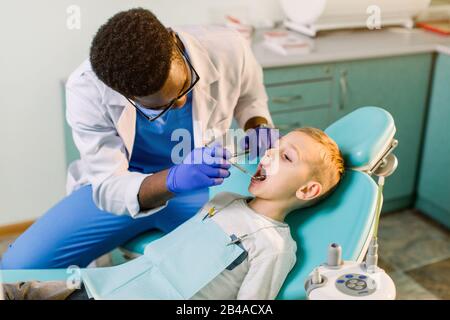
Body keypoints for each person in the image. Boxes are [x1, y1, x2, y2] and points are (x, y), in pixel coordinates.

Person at [1, 8, 278, 269]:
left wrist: (258, 124)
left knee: (249, 257)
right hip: (123, 189)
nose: (181, 102)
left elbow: (250, 96)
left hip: (198, 188)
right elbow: (110, 186)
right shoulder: (86, 90)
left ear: (172, 41)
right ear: (123, 94)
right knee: (18, 268)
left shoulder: (227, 47)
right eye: (160, 107)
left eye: (184, 85)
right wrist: (173, 179)